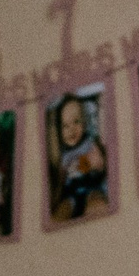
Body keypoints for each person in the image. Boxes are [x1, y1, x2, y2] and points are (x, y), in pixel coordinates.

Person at [48, 92, 111, 221]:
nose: (72, 129)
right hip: (71, 195)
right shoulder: (63, 154)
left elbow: (100, 163)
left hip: (93, 187)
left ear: (84, 122)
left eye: (76, 121)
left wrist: (84, 164)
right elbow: (61, 179)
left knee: (98, 204)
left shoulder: (89, 142)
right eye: (65, 126)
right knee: (59, 214)